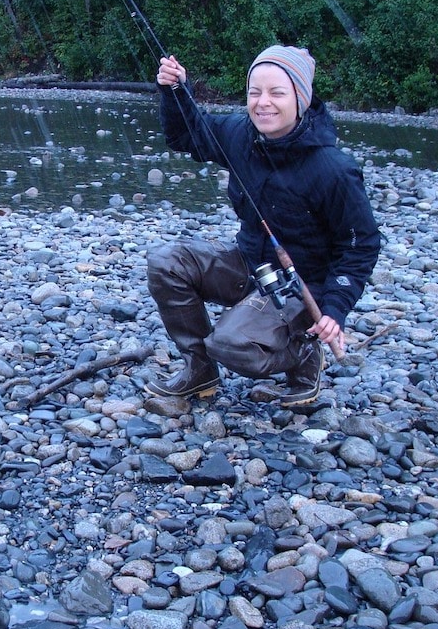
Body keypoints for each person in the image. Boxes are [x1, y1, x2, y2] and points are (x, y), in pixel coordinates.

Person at [147, 45, 381, 408]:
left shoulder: (334, 169)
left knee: (229, 344)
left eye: (277, 93)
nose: (263, 103)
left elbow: (360, 246)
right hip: (251, 265)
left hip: (304, 287)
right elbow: (187, 135)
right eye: (254, 92)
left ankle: (303, 354)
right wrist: (175, 90)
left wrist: (335, 308)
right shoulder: (242, 134)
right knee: (167, 261)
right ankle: (199, 371)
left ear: (301, 98)